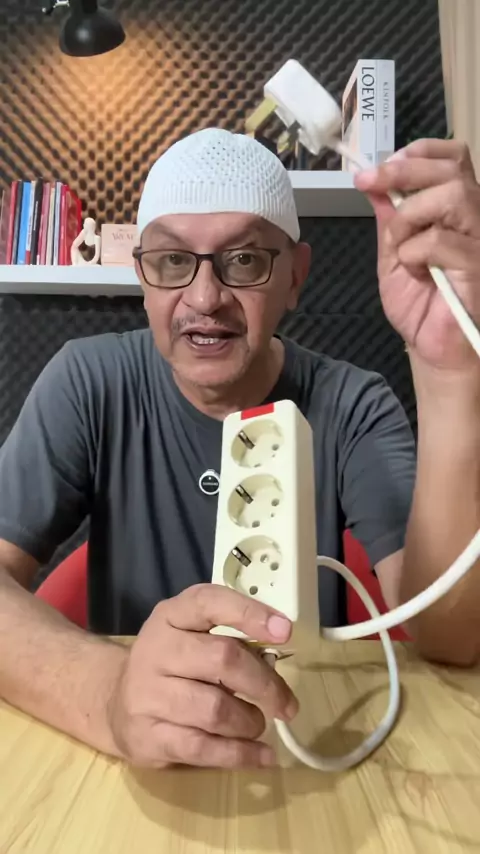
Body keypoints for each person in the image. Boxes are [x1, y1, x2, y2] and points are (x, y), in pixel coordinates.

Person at [0, 128, 479, 771]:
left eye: (246, 260)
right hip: (127, 766)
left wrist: (451, 371)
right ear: (142, 274)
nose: (205, 298)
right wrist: (109, 695)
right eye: (172, 261)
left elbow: (452, 638)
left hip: (301, 745)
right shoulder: (88, 383)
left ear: (295, 277)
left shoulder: (352, 404)